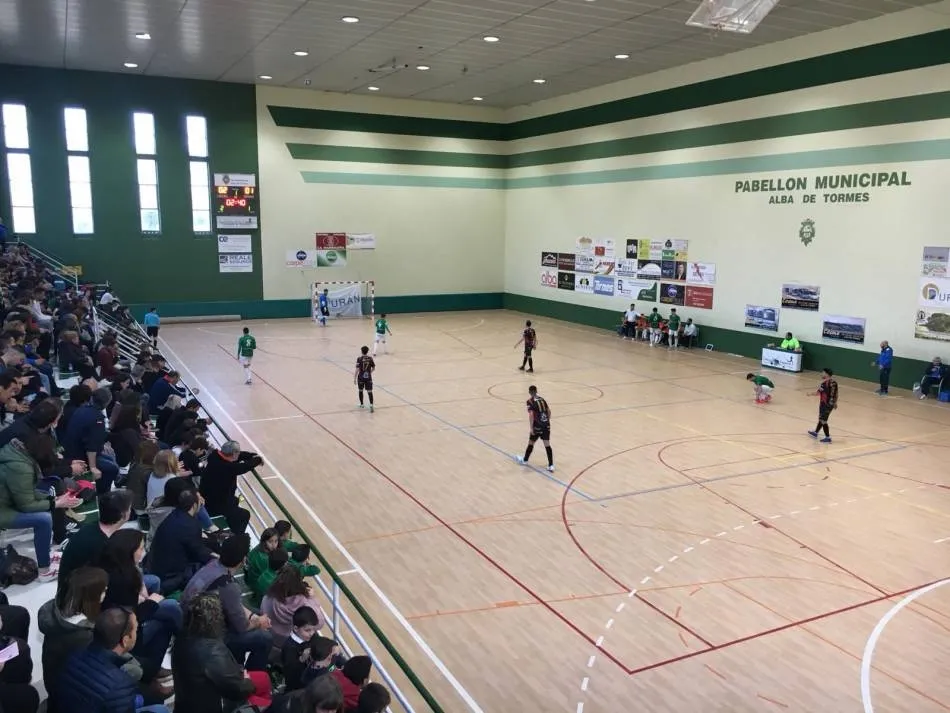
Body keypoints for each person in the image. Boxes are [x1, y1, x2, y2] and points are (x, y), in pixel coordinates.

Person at [98, 529, 182, 683]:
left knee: (154, 581)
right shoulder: (121, 581)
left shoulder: (115, 564)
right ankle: (154, 669)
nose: (144, 552)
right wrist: (151, 603)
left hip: (121, 614)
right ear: (130, 551)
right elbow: (130, 618)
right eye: (141, 549)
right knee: (170, 611)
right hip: (123, 632)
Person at [181, 534, 274, 671]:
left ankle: (237, 661)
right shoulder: (229, 586)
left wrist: (253, 616)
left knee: (256, 613)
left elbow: (232, 604)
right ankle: (253, 674)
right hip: (204, 636)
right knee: (265, 637)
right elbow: (242, 626)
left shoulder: (213, 564)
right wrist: (259, 622)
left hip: (190, 621)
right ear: (243, 559)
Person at [55, 607, 171, 713]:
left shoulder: (72, 654)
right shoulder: (121, 684)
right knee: (161, 710)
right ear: (125, 640)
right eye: (135, 630)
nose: (137, 633)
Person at [0, 434, 82, 581]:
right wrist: (55, 503)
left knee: (49, 498)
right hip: (4, 509)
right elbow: (26, 505)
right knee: (43, 520)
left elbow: (26, 492)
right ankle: (45, 570)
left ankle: (46, 553)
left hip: (7, 502)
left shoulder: (16, 454)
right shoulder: (21, 467)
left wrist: (52, 499)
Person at [38, 566, 111, 712]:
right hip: (70, 694)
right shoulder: (83, 635)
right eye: (103, 590)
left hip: (54, 683)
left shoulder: (57, 612)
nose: (106, 591)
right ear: (91, 595)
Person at [171, 592, 258, 713]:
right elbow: (236, 689)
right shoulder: (212, 651)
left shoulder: (181, 639)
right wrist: (248, 682)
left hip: (183, 705)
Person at [57, 489, 133, 604]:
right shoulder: (102, 545)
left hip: (70, 594)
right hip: (78, 602)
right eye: (129, 508)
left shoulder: (91, 528)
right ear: (124, 515)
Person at [147, 489, 215, 594]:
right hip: (170, 577)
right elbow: (199, 553)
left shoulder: (173, 514)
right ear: (194, 505)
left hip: (154, 564)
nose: (202, 501)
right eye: (199, 500)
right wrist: (215, 556)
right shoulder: (191, 525)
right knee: (212, 565)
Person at [62, 386, 119, 494]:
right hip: (80, 457)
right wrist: (93, 467)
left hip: (72, 451)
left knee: (110, 457)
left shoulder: (81, 410)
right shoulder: (97, 418)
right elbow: (91, 447)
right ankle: (102, 494)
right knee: (112, 469)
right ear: (107, 403)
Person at [199, 440, 260, 534]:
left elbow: (236, 457)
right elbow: (243, 467)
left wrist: (249, 455)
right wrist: (258, 459)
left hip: (207, 495)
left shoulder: (215, 455)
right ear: (234, 454)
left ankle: (230, 523)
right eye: (238, 452)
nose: (239, 454)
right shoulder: (228, 467)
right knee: (244, 515)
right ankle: (236, 536)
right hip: (215, 504)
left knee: (235, 500)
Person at [262, 562, 325, 644]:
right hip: (291, 641)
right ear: (299, 582)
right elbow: (320, 623)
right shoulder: (306, 604)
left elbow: (263, 610)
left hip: (270, 634)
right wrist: (312, 599)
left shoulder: (268, 597)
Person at [280, 606, 323, 692]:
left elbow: (321, 643)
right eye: (307, 630)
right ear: (296, 629)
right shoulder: (289, 647)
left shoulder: (312, 636)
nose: (311, 633)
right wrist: (301, 659)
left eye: (314, 629)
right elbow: (290, 672)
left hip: (312, 677)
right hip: (298, 687)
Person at [516, 385, 554, 472]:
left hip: (537, 426)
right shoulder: (542, 399)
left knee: (531, 442)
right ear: (536, 391)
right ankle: (551, 465)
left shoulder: (530, 401)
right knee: (547, 444)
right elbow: (549, 411)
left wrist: (531, 428)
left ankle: (525, 460)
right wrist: (547, 420)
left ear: (529, 392)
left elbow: (531, 415)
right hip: (546, 425)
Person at [245, 527, 279, 594]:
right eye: (270, 541)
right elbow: (269, 576)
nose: (274, 545)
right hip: (256, 584)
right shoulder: (264, 559)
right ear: (264, 541)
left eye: (276, 541)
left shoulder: (259, 547)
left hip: (251, 577)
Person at [808, 368, 838, 443]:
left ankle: (828, 437)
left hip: (827, 404)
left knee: (823, 420)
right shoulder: (828, 383)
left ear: (827, 374)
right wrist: (835, 402)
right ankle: (815, 433)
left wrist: (834, 403)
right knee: (821, 418)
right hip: (825, 404)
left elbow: (833, 394)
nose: (821, 374)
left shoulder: (829, 383)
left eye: (823, 373)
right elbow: (819, 393)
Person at [355, 346, 376, 412]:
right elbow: (374, 368)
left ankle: (362, 404)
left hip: (361, 378)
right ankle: (371, 405)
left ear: (361, 351)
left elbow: (357, 369)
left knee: (360, 390)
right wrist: (370, 373)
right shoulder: (370, 358)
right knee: (370, 391)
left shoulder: (359, 359)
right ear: (367, 351)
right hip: (368, 378)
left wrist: (355, 378)